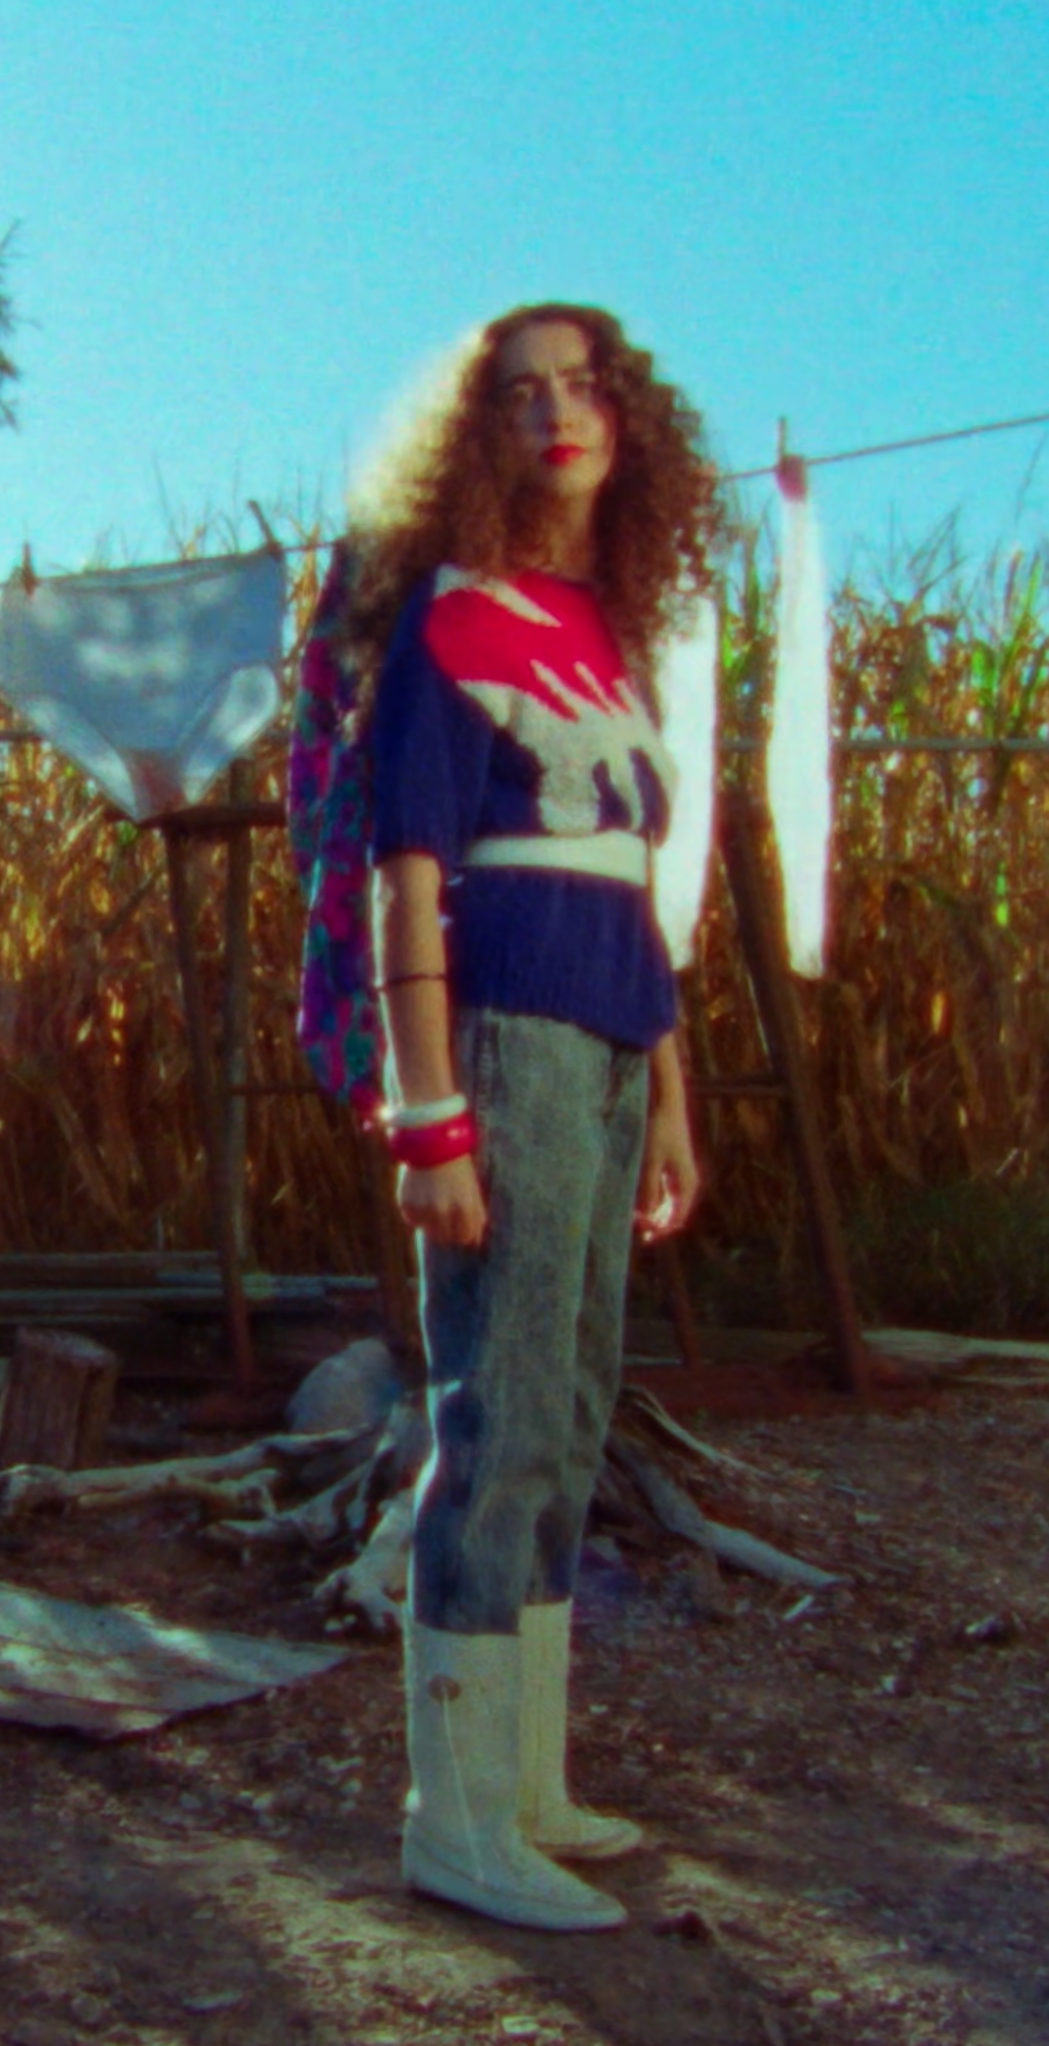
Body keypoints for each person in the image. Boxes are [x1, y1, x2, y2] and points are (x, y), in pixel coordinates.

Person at [351, 303, 727, 1932]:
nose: (558, 413)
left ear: (625, 421)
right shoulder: (445, 624)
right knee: (495, 1420)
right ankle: (452, 1818)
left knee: (571, 1416)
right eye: (521, 395)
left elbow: (636, 891)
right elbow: (405, 884)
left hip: (614, 1046)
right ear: (476, 437)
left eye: (584, 386)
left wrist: (671, 1101)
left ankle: (529, 1785)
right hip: (503, 1044)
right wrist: (429, 1118)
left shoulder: (604, 640)